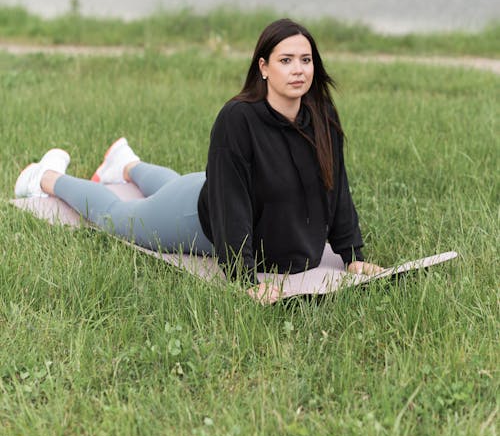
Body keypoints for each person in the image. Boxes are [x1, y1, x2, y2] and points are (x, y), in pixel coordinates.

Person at [14, 18, 383, 303]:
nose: (298, 69)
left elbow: (337, 186)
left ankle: (124, 164)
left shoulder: (322, 115)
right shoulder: (238, 119)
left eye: (305, 60)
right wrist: (244, 278)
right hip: (205, 216)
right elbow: (231, 204)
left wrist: (351, 254)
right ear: (264, 67)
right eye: (286, 60)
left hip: (214, 188)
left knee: (173, 184)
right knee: (120, 218)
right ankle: (44, 177)